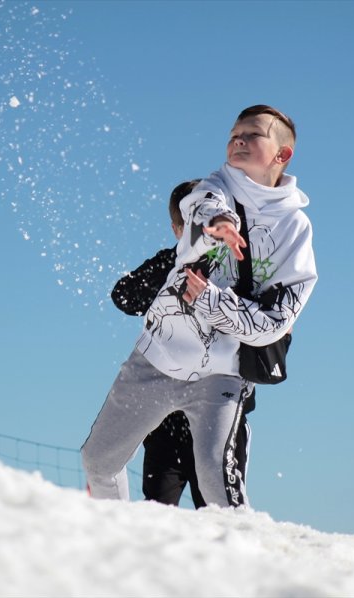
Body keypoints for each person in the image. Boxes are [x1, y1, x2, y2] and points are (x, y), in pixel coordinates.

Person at [83, 104, 317, 507]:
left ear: (283, 154)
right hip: (156, 359)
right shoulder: (213, 187)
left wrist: (211, 301)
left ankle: (245, 564)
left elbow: (278, 320)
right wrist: (218, 222)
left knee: (216, 489)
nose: (238, 139)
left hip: (222, 375)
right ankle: (116, 544)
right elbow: (202, 203)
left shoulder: (295, 229)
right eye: (233, 133)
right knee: (97, 460)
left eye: (253, 134)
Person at [110, 180, 255, 509]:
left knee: (221, 513)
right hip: (166, 421)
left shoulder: (239, 269)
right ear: (180, 231)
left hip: (219, 414)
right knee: (159, 514)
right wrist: (174, 270)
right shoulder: (171, 263)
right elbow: (123, 296)